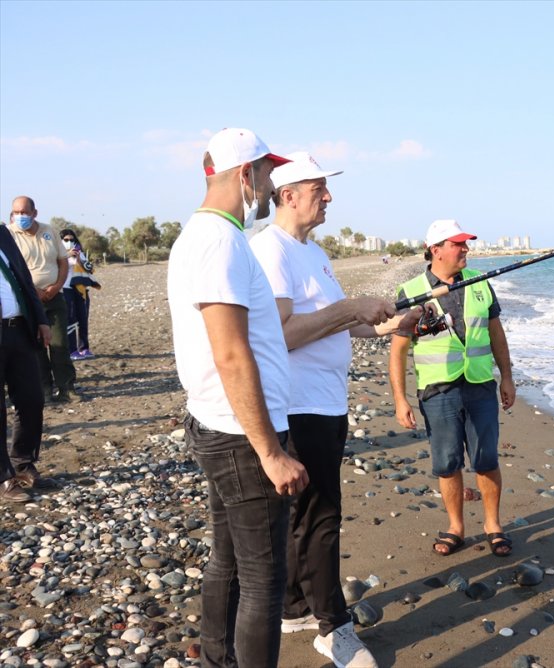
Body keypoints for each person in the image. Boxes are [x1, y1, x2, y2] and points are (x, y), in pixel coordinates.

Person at [250, 151, 424, 667]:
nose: (328, 197)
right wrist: (350, 307)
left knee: (306, 513)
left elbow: (338, 324)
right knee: (321, 514)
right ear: (288, 195)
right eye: (319, 188)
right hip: (298, 406)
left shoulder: (314, 252)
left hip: (327, 401)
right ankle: (334, 626)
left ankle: (297, 606)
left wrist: (390, 324)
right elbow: (280, 335)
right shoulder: (272, 249)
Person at [167, 127, 309, 668]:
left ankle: (216, 659)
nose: (271, 189)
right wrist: (271, 451)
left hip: (223, 425)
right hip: (238, 435)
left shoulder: (204, 236)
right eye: (269, 175)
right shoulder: (220, 241)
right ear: (245, 175)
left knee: (228, 560)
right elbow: (230, 354)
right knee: (262, 579)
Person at [389, 219, 516, 557]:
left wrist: (507, 376)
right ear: (436, 250)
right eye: (458, 244)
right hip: (438, 392)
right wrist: (400, 399)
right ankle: (456, 527)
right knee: (447, 463)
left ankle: (493, 525)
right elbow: (399, 349)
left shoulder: (481, 284)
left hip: (479, 386)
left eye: (465, 243)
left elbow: (496, 335)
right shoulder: (411, 290)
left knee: (486, 459)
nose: (466, 249)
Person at [0, 224, 54, 502]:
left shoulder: (3, 235)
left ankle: (22, 462)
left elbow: (23, 279)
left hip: (19, 329)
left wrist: (41, 320)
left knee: (32, 398)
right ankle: (4, 477)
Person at [8, 197, 76, 403]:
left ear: (34, 213)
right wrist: (33, 290)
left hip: (55, 296)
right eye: (16, 212)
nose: (20, 216)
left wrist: (56, 286)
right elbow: (10, 268)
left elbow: (63, 261)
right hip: (27, 300)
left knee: (60, 344)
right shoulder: (8, 235)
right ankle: (44, 388)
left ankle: (67, 388)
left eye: (24, 212)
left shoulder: (50, 231)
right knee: (36, 346)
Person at [60, 228, 100, 360]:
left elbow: (89, 268)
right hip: (66, 288)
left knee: (83, 318)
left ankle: (84, 348)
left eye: (72, 240)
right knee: (70, 319)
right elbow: (54, 264)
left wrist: (78, 258)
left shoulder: (80, 253)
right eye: (66, 240)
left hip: (81, 289)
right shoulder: (58, 254)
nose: (69, 242)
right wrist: (67, 255)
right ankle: (72, 350)